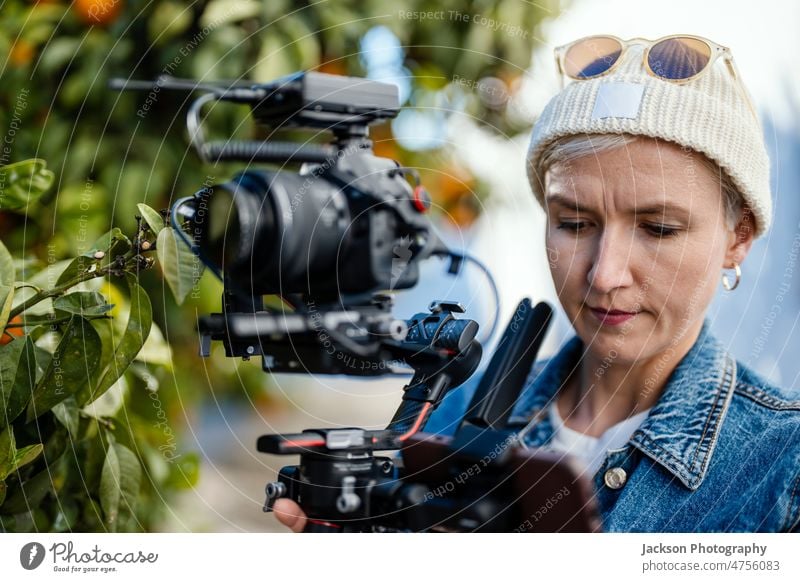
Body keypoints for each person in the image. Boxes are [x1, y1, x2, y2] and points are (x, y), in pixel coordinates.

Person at [274, 35, 800, 532]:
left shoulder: (784, 466)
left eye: (658, 228)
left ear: (739, 237)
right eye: (573, 223)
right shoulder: (449, 410)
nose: (605, 274)